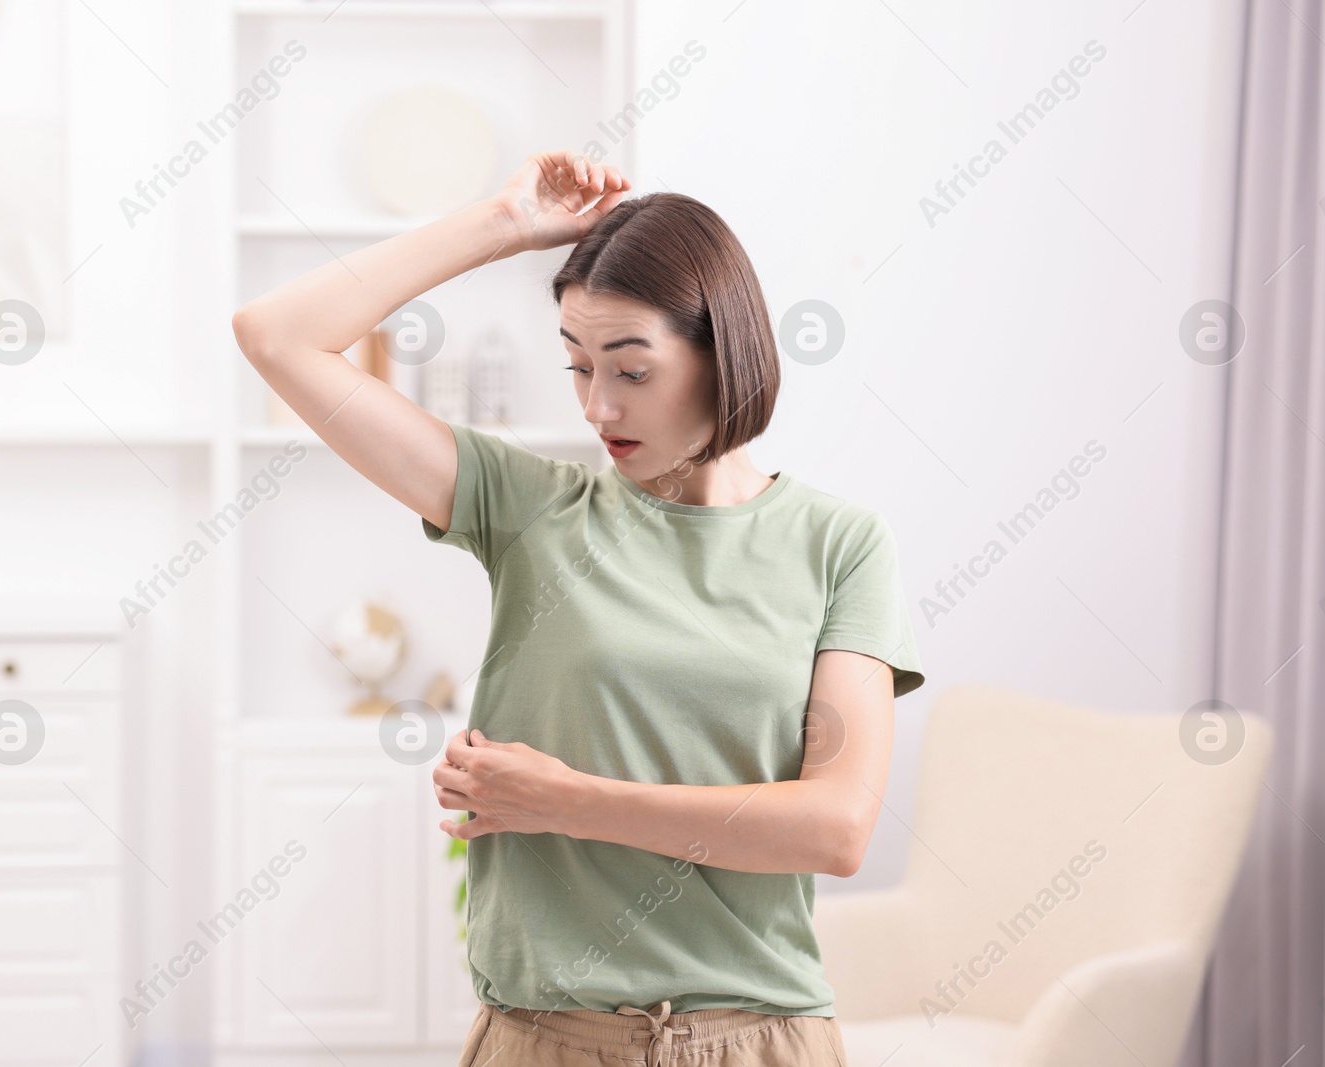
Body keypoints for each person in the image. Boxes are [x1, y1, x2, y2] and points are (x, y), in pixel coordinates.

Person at [232, 149, 925, 1067]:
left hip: (760, 1038)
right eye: (576, 365)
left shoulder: (839, 544)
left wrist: (564, 801)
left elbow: (835, 827)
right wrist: (503, 224)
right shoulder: (529, 510)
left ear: (726, 353)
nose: (599, 405)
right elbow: (276, 334)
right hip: (544, 1040)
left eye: (632, 370)